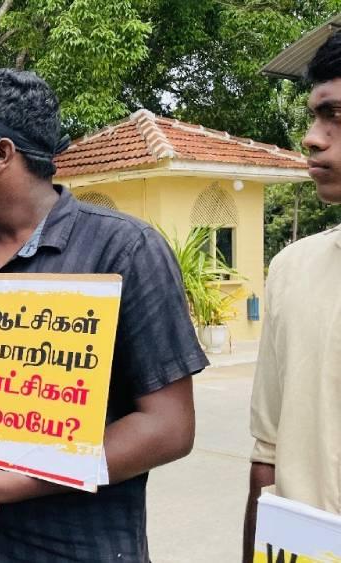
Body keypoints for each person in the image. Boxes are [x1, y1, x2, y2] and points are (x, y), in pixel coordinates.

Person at [0, 69, 206, 562]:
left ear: (1, 154)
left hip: (77, 547)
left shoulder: (125, 250)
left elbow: (169, 427)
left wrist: (12, 483)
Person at [244, 30, 341, 561]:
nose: (312, 138)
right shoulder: (291, 269)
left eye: (337, 117)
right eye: (314, 116)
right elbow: (267, 458)